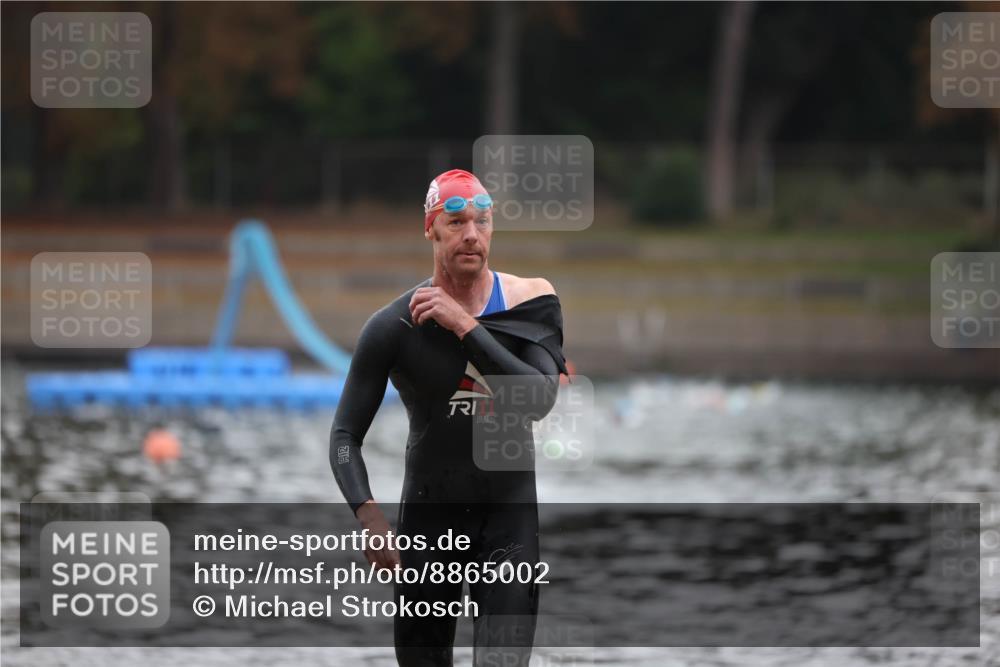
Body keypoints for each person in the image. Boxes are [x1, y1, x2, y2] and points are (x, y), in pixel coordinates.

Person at [330, 168, 568, 666]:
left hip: (509, 526)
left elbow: (538, 399)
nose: (472, 236)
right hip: (428, 525)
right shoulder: (394, 327)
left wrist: (463, 324)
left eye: (482, 223)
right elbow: (345, 435)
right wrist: (369, 516)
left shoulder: (530, 303)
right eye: (457, 223)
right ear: (431, 229)